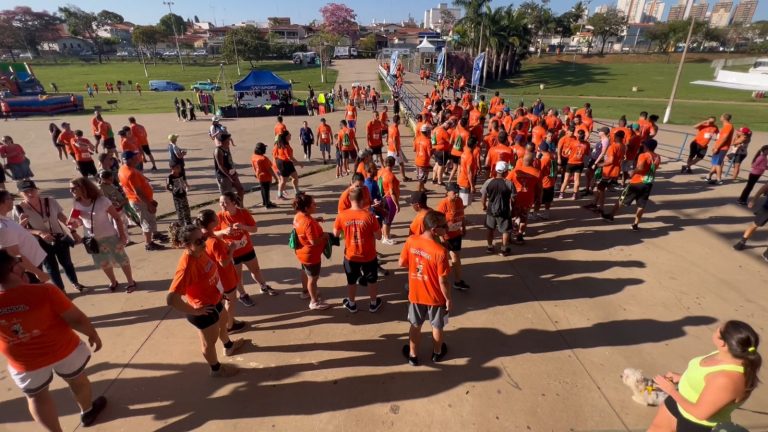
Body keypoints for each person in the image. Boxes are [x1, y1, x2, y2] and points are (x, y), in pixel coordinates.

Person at [0, 250, 107, 430]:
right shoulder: (45, 291)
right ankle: (87, 411)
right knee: (77, 380)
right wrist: (92, 334)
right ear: (13, 269)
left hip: (23, 361)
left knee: (36, 397)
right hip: (63, 349)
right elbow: (76, 319)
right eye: (18, 261)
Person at [648, 320, 761, 432]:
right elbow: (707, 380)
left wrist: (671, 391)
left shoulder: (727, 379)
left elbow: (699, 414)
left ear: (723, 343)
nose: (715, 329)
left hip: (695, 425)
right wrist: (684, 378)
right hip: (678, 403)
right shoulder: (723, 354)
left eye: (718, 329)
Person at [167, 225, 245, 378]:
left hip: (214, 300)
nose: (203, 243)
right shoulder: (187, 267)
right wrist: (196, 311)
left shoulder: (200, 252)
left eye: (202, 238)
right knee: (209, 343)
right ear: (187, 245)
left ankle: (229, 346)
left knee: (223, 323)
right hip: (204, 310)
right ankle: (216, 369)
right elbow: (171, 299)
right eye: (198, 241)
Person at [398, 210, 452, 367]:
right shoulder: (440, 251)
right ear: (434, 230)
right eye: (444, 226)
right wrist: (448, 299)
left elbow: (401, 263)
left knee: (415, 325)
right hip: (436, 298)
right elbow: (443, 281)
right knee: (437, 325)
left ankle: (413, 356)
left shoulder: (411, 241)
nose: (447, 227)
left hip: (416, 294)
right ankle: (437, 352)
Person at [13, 180, 85, 292]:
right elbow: (21, 229)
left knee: (67, 263)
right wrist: (39, 233)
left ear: (37, 190)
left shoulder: (50, 201)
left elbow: (61, 216)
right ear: (20, 193)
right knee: (51, 267)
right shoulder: (19, 209)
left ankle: (75, 283)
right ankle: (61, 290)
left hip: (59, 238)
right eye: (26, 192)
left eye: (32, 190)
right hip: (40, 243)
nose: (30, 194)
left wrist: (72, 229)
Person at [68, 177, 137, 292]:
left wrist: (122, 234)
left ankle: (131, 281)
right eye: (70, 189)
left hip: (110, 236)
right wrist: (74, 225)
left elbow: (117, 218)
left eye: (73, 188)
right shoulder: (76, 203)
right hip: (92, 239)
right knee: (103, 263)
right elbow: (78, 221)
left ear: (83, 187)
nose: (71, 191)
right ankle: (113, 281)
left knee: (122, 259)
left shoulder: (102, 201)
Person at [215, 192, 277, 307]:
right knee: (238, 275)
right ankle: (243, 295)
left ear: (233, 202)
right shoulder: (219, 216)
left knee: (256, 270)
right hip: (232, 252)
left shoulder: (243, 213)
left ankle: (263, 286)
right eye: (220, 202)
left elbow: (254, 229)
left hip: (247, 249)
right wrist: (223, 232)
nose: (222, 205)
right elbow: (213, 234)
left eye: (225, 202)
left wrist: (243, 227)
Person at [333, 187, 384, 314]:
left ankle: (351, 304)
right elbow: (379, 236)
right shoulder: (369, 216)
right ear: (362, 200)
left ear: (349, 200)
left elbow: (336, 234)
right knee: (372, 280)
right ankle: (373, 304)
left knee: (351, 280)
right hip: (368, 255)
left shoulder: (341, 215)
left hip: (350, 255)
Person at [196, 209, 246, 335]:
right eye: (215, 216)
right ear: (212, 223)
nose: (218, 217)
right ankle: (230, 325)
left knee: (222, 301)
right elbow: (224, 262)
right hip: (225, 278)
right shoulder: (215, 241)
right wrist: (232, 249)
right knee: (231, 301)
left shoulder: (200, 238)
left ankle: (227, 320)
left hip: (214, 277)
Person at [602, 139, 662, 230]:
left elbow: (640, 167)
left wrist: (633, 171)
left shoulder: (643, 155)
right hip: (648, 183)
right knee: (641, 204)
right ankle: (635, 224)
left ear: (646, 146)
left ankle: (611, 216)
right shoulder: (658, 157)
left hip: (637, 182)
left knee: (621, 199)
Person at [119, 151, 166, 250]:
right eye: (135, 157)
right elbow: (138, 192)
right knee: (146, 222)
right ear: (130, 159)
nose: (138, 158)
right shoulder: (131, 173)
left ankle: (155, 234)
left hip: (140, 200)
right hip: (140, 201)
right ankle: (148, 244)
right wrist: (149, 204)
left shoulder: (123, 169)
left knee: (150, 219)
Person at [0, 190, 50, 283]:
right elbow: (15, 254)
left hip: (31, 265)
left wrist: (20, 225)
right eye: (10, 198)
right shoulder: (3, 227)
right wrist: (38, 273)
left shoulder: (5, 219)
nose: (13, 200)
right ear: (2, 202)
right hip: (28, 270)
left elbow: (12, 235)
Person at [292, 193, 331, 310]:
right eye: (313, 204)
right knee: (313, 280)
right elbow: (314, 241)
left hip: (301, 252)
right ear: (306, 208)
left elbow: (303, 226)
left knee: (305, 272)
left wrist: (315, 220)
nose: (316, 205)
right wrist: (324, 236)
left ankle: (305, 292)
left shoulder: (298, 216)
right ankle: (314, 302)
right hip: (311, 256)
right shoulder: (308, 223)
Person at [436, 183, 469, 290]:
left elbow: (462, 215)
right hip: (446, 236)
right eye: (454, 192)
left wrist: (464, 228)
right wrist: (442, 238)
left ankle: (457, 281)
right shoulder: (443, 204)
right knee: (444, 259)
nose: (457, 194)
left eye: (457, 192)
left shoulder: (459, 201)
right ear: (447, 192)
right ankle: (440, 280)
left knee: (456, 257)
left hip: (456, 234)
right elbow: (438, 223)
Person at [481, 161, 516, 256]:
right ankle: (504, 249)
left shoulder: (488, 182)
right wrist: (513, 210)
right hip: (504, 211)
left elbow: (483, 197)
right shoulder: (509, 183)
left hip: (491, 210)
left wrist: (484, 206)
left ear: (496, 171)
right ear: (505, 172)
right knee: (505, 231)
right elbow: (513, 199)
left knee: (490, 228)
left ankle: (489, 247)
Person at [588, 130, 626, 215]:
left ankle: (601, 208)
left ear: (617, 137)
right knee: (600, 187)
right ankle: (594, 203)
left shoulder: (613, 146)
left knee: (601, 189)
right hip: (615, 170)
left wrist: (600, 164)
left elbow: (610, 160)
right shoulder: (623, 146)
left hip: (609, 171)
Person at [508, 153, 541, 244]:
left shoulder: (515, 170)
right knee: (524, 218)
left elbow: (507, 182)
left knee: (513, 216)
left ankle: (509, 235)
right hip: (528, 199)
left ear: (522, 161)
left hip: (515, 198)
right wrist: (539, 198)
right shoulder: (537, 172)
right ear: (533, 162)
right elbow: (539, 188)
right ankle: (520, 235)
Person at [733, 181, 768, 261]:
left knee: (754, 225)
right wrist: (754, 199)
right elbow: (765, 187)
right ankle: (742, 242)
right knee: (755, 224)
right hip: (767, 209)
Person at [214, 133, 245, 206]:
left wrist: (234, 171)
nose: (229, 141)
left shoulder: (227, 148)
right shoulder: (218, 151)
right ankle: (228, 210)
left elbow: (230, 160)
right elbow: (220, 166)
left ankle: (240, 207)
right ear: (223, 141)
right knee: (227, 197)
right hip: (224, 176)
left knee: (241, 190)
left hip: (232, 173)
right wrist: (229, 176)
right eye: (228, 139)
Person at [559, 129, 590, 200]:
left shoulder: (573, 142)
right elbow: (587, 153)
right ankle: (574, 195)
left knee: (566, 179)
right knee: (577, 180)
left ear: (578, 135)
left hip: (571, 162)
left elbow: (566, 152)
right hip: (579, 163)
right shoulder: (587, 144)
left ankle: (561, 194)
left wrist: (565, 154)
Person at [704, 113, 734, 185]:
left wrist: (717, 147)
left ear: (724, 118)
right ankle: (709, 176)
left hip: (721, 148)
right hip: (720, 147)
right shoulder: (727, 126)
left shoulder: (728, 126)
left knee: (718, 164)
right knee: (715, 163)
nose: (720, 118)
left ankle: (719, 179)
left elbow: (724, 138)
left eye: (721, 116)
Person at [274, 131, 302, 200]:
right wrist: (298, 163)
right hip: (283, 163)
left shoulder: (284, 143)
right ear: (286, 137)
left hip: (287, 162)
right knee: (283, 181)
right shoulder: (284, 146)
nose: (290, 136)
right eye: (289, 135)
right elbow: (290, 157)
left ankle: (297, 192)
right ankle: (279, 195)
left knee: (295, 177)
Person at [378, 156, 401, 245]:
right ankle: (386, 238)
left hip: (383, 197)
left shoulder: (381, 171)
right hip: (389, 199)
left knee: (385, 218)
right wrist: (397, 204)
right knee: (388, 220)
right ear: (393, 164)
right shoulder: (390, 176)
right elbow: (392, 192)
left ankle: (384, 234)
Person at [251, 143, 278, 209]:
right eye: (264, 148)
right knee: (266, 190)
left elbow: (254, 166)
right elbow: (269, 169)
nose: (265, 149)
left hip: (259, 176)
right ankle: (268, 204)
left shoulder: (253, 156)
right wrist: (275, 178)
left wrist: (256, 173)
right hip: (266, 177)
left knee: (263, 189)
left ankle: (264, 202)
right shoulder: (264, 159)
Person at [387, 114, 411, 182]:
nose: (400, 121)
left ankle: (387, 177)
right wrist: (397, 151)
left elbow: (389, 136)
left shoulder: (390, 127)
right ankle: (404, 177)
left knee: (390, 164)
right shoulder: (395, 130)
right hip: (395, 149)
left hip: (390, 148)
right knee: (401, 164)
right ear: (398, 121)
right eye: (399, 120)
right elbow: (394, 141)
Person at [414, 123, 433, 193]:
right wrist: (434, 150)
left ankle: (423, 189)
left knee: (421, 177)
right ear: (427, 132)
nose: (430, 132)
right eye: (430, 131)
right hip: (424, 162)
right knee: (421, 179)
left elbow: (414, 149)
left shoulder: (417, 139)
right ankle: (418, 193)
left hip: (417, 160)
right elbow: (429, 154)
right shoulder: (428, 141)